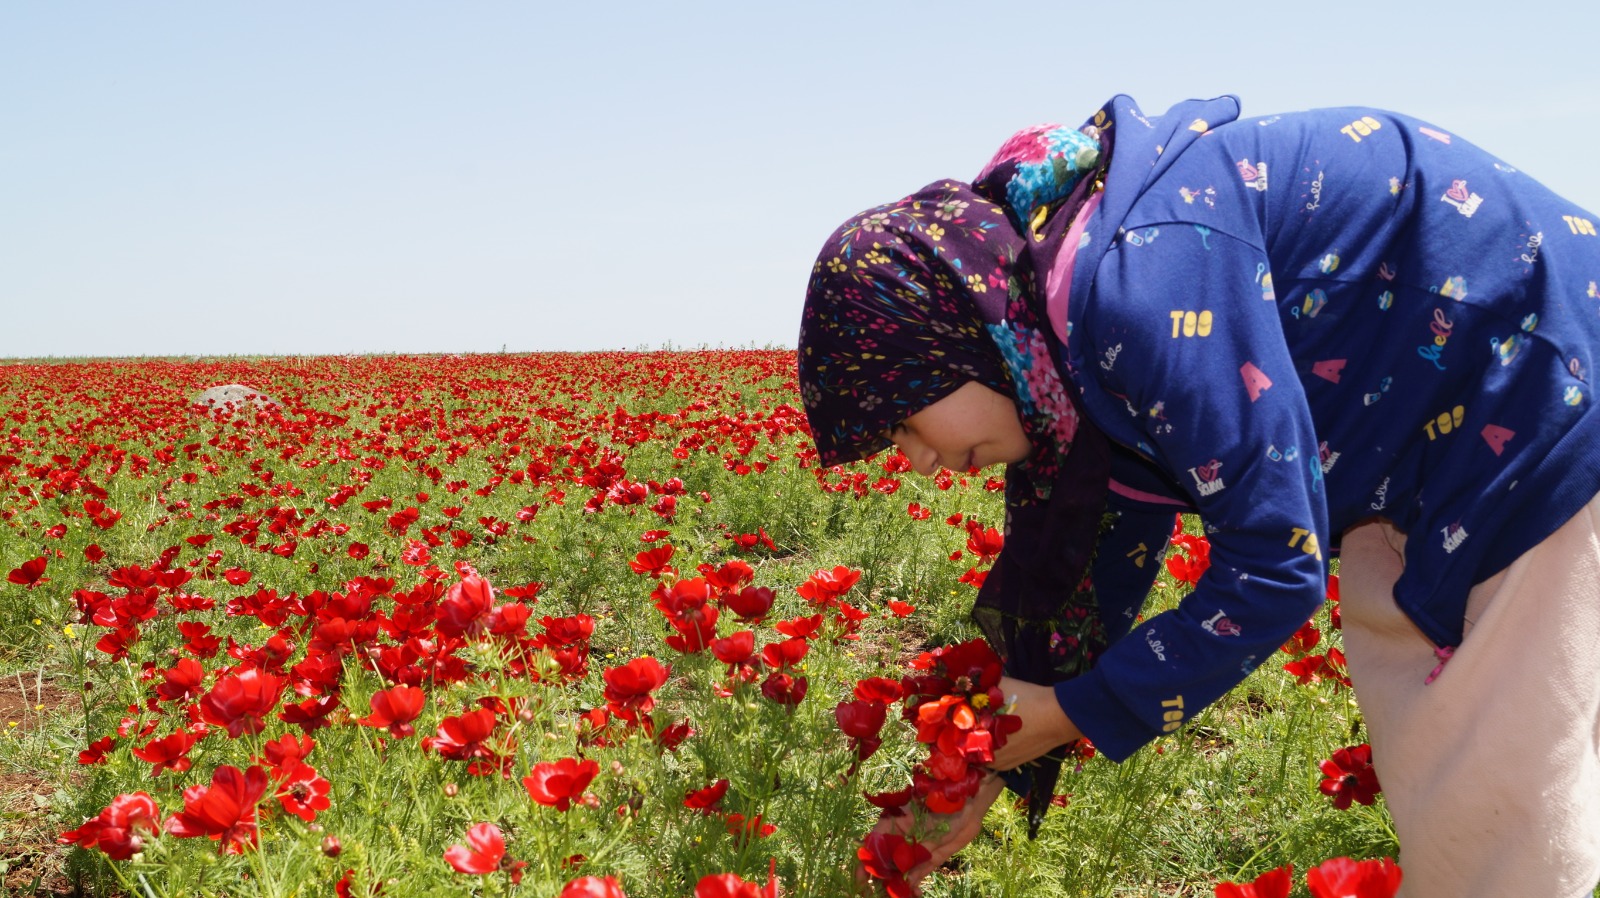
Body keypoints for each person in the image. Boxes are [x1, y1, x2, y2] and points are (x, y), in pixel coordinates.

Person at [797, 94, 1600, 898]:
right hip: (1422, 440)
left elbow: (1276, 568)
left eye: (902, 417)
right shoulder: (1061, 346)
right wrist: (976, 773)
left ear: (958, 335)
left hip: (1536, 395)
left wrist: (1078, 711)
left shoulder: (1135, 292)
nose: (918, 462)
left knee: (1495, 813)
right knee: (1442, 760)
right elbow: (1085, 593)